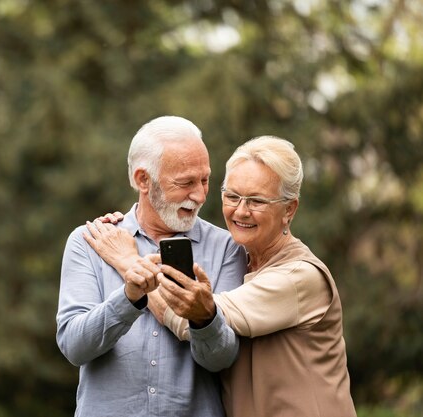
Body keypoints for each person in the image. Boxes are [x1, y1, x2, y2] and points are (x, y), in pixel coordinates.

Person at [87, 136, 357, 417]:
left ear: (289, 209)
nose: (241, 211)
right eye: (232, 196)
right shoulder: (239, 261)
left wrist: (128, 260)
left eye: (256, 201)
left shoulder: (299, 277)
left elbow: (190, 313)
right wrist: (133, 226)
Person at [56, 115, 247, 417]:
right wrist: (128, 299)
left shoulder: (227, 248)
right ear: (143, 180)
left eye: (205, 179)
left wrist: (204, 318)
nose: (199, 195)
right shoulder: (90, 241)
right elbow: (74, 347)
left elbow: (222, 360)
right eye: (185, 183)